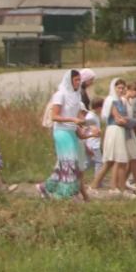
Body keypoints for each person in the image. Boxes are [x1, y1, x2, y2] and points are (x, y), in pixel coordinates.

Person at [39, 70, 89, 200]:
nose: (78, 82)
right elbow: (54, 116)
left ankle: (46, 187)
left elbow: (77, 115)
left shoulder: (76, 95)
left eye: (79, 80)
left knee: (66, 163)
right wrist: (72, 120)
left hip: (71, 131)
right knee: (69, 161)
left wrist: (85, 127)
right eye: (76, 80)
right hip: (61, 131)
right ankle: (67, 194)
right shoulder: (60, 95)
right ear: (69, 80)